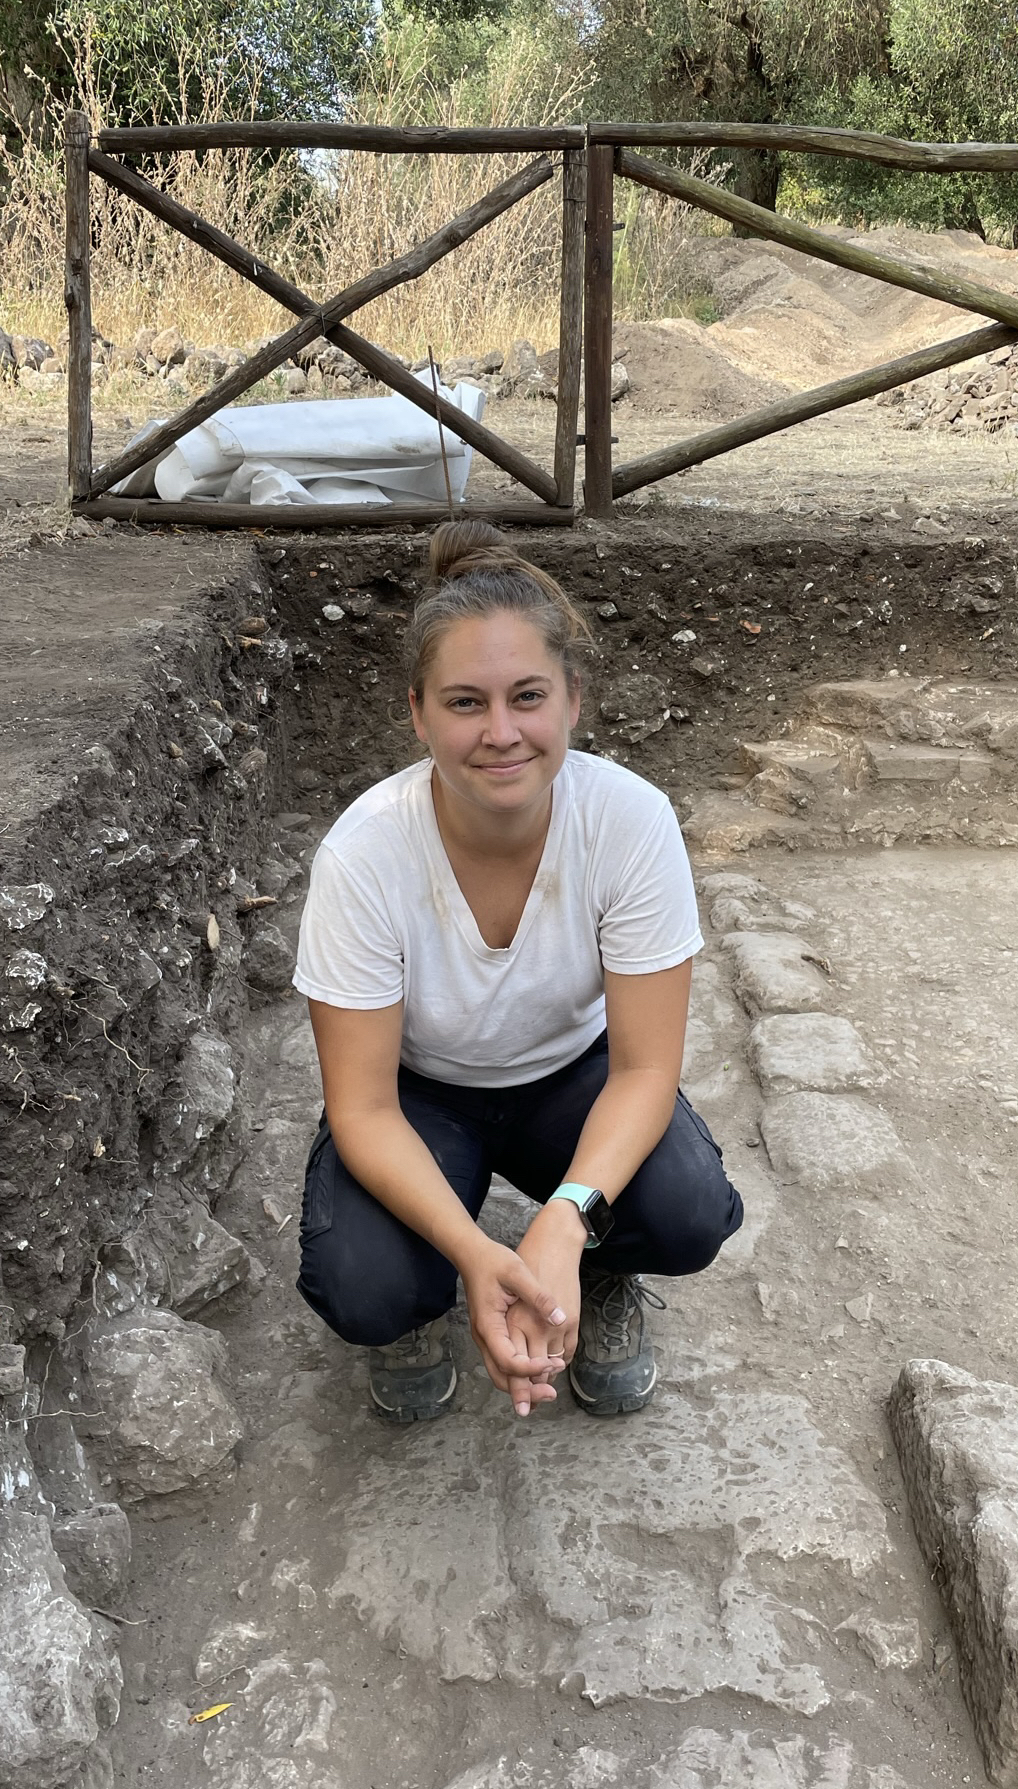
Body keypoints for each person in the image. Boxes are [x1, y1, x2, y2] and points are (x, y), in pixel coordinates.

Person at [291, 519, 743, 1420]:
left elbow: (645, 1069)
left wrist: (565, 1222)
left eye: (527, 696)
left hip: (572, 1080)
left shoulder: (630, 822)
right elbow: (365, 1107)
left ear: (573, 700)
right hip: (420, 1094)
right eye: (465, 702)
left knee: (688, 1211)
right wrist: (476, 1256)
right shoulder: (364, 855)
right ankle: (422, 1301)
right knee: (365, 1284)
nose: (501, 733)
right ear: (418, 714)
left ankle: (599, 1265)